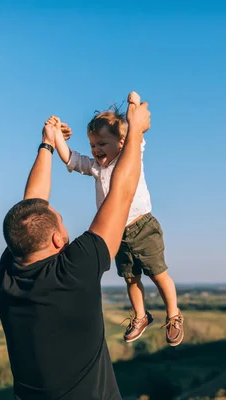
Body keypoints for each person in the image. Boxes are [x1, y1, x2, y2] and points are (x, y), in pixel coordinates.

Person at [0, 91, 151, 400]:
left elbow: (32, 209)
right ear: (56, 239)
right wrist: (134, 132)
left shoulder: (11, 271)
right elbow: (122, 192)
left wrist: (48, 143)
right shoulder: (73, 272)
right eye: (60, 220)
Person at [53, 93, 184, 346]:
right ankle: (140, 316)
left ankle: (174, 314)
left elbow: (137, 133)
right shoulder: (96, 168)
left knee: (158, 274)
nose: (96, 150)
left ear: (122, 143)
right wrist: (56, 134)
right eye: (92, 145)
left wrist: (133, 103)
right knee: (131, 278)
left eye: (102, 143)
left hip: (142, 226)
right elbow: (70, 158)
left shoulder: (131, 156)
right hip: (118, 234)